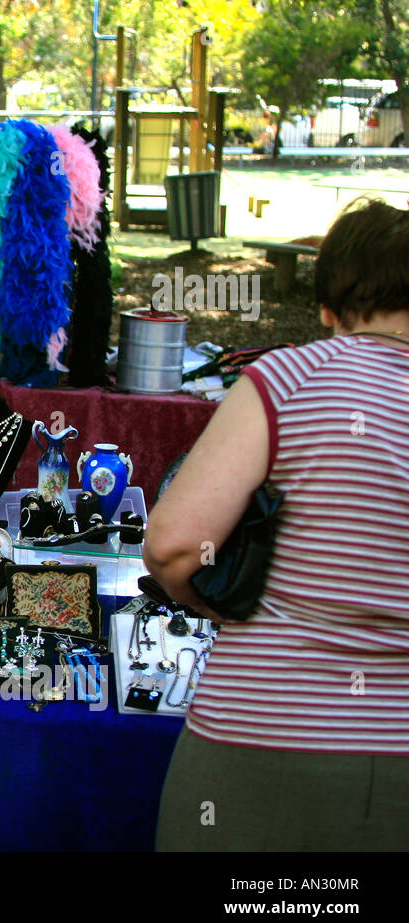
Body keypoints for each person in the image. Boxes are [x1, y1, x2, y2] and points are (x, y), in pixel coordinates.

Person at [143, 198, 409, 852]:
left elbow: (175, 545)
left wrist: (206, 601)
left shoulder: (290, 377)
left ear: (326, 306)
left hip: (259, 739)